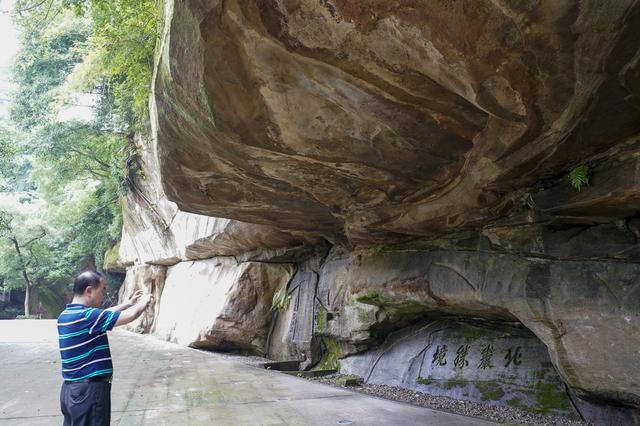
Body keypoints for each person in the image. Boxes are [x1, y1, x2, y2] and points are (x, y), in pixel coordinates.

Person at [57, 271, 154, 425]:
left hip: (71, 392)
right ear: (89, 291)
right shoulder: (88, 317)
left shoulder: (65, 316)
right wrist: (145, 301)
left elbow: (102, 314)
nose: (104, 295)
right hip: (90, 392)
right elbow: (131, 315)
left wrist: (128, 303)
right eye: (102, 290)